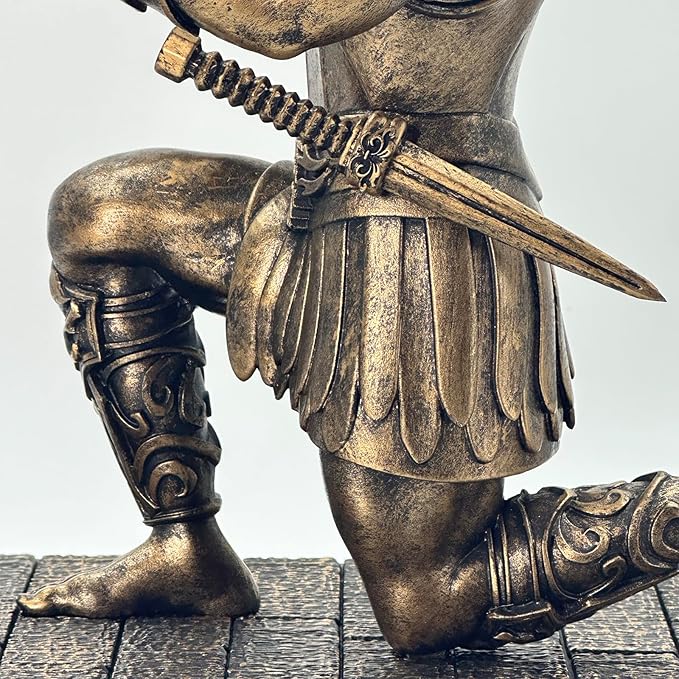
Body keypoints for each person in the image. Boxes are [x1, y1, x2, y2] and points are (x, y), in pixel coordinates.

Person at [19, 0, 679, 652]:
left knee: (425, 599)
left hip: (429, 241)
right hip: (326, 193)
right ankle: (185, 545)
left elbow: (288, 18)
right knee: (96, 216)